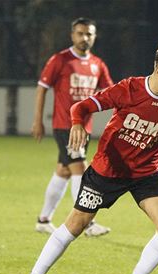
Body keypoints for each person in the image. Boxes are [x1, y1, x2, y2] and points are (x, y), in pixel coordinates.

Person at [15, 42, 158, 274]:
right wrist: (75, 123)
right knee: (74, 226)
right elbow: (82, 107)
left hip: (146, 172)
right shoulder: (128, 90)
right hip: (108, 170)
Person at [32, 17, 113, 237]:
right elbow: (42, 89)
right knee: (81, 170)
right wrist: (37, 119)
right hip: (65, 125)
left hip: (84, 128)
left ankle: (43, 219)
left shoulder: (98, 64)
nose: (84, 38)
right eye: (80, 33)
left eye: (88, 34)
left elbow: (111, 93)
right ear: (72, 35)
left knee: (64, 170)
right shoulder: (60, 60)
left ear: (94, 36)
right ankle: (86, 222)